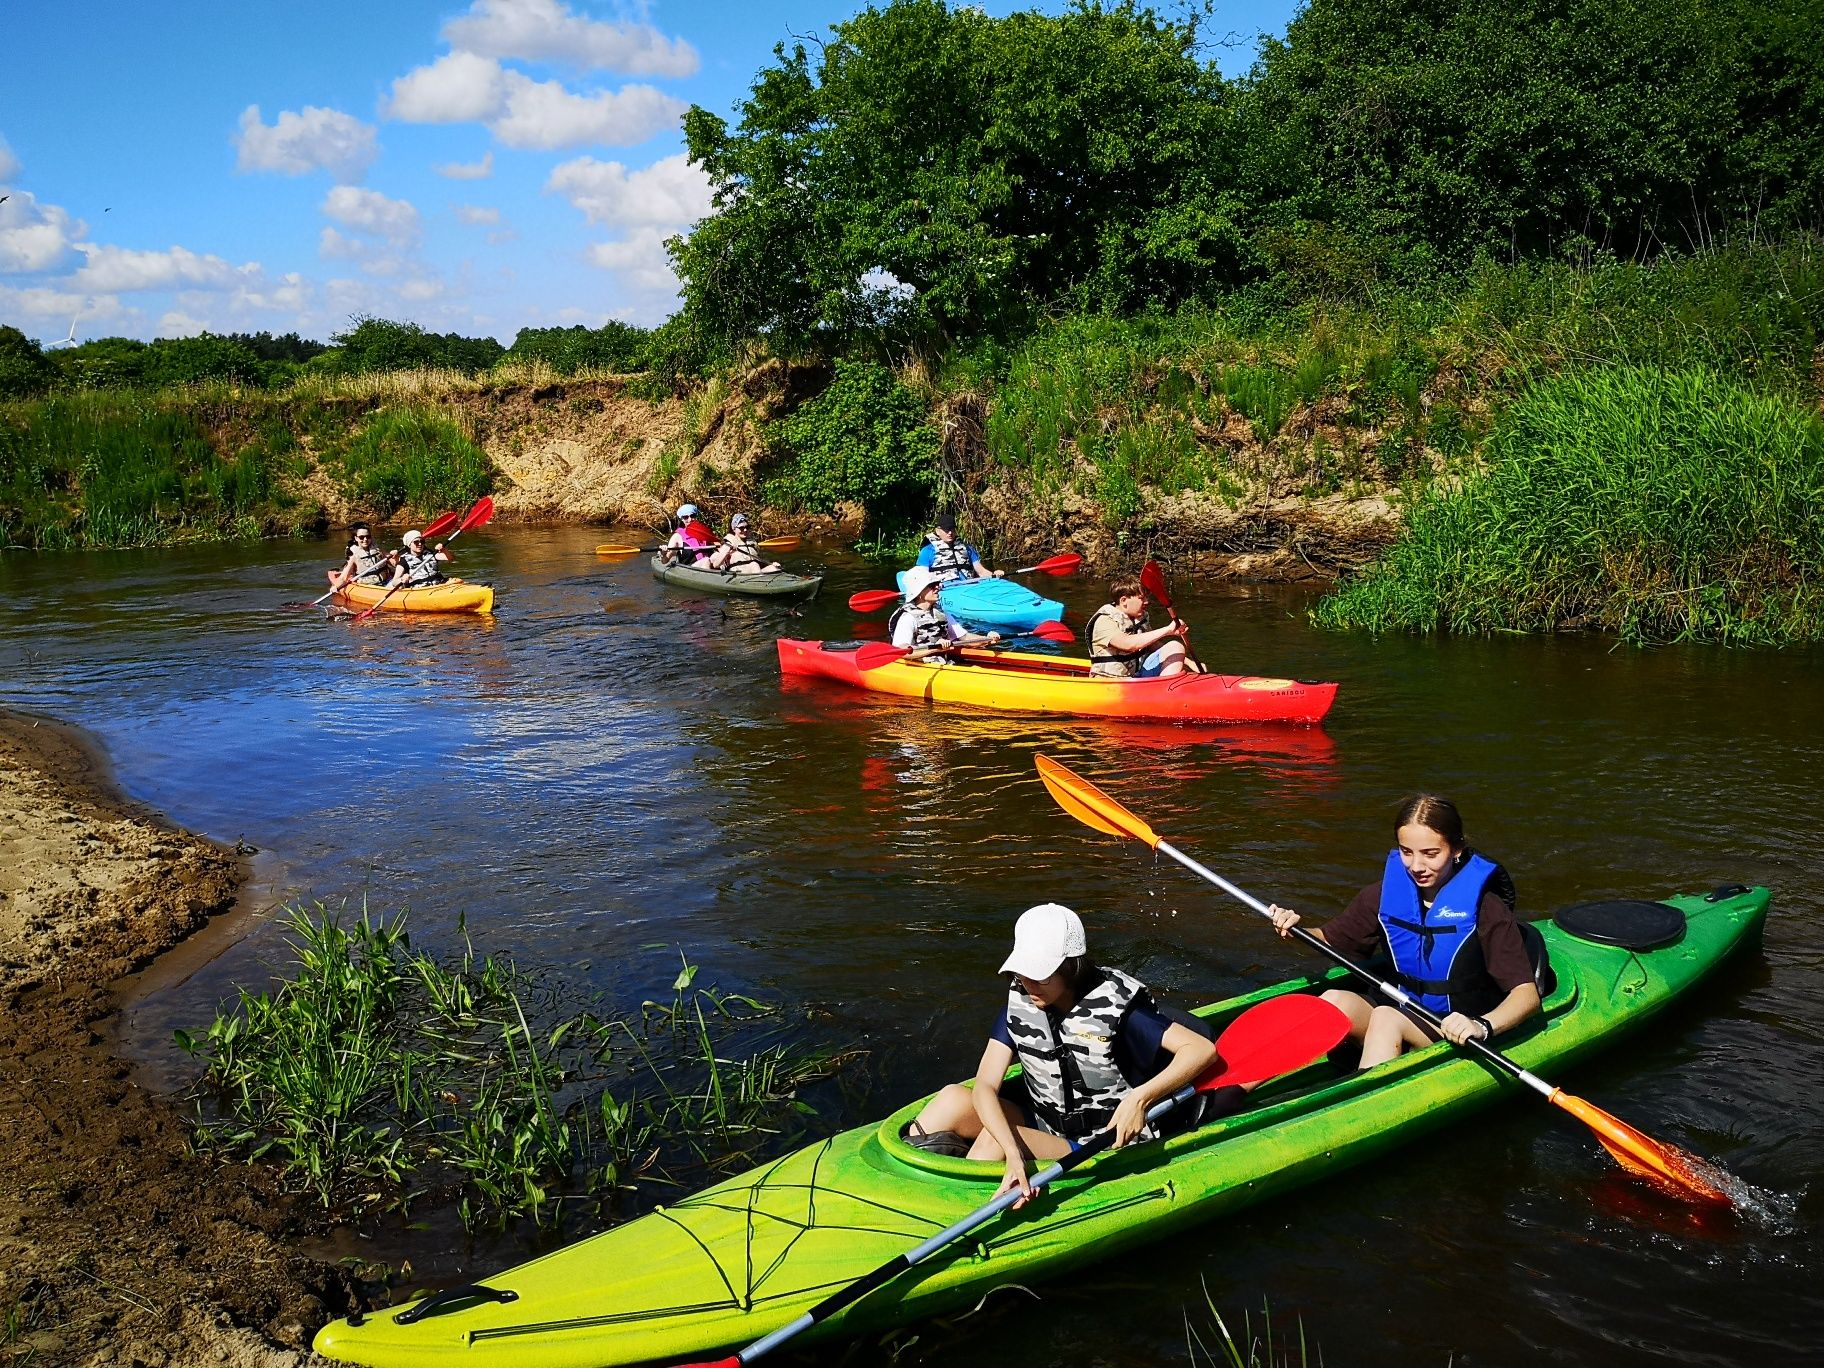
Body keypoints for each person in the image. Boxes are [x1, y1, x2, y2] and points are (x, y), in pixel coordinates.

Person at [902, 904, 1241, 1206]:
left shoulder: (1120, 1010)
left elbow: (1201, 1050)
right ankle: (907, 1183)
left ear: (1070, 967)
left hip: (1103, 1140)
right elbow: (985, 1087)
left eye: (1039, 973)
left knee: (992, 1143)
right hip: (1047, 1121)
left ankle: (951, 1205)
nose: (1027, 982)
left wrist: (1139, 1101)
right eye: (1022, 971)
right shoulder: (1023, 998)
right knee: (951, 1099)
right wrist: (1013, 1151)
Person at [1267, 795, 1543, 1070]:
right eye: (1406, 852)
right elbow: (1330, 940)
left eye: (1430, 854)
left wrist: (1482, 1026)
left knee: (1387, 1018)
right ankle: (1242, 1089)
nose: (1416, 866)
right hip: (1403, 1010)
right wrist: (1295, 929)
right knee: (1333, 1001)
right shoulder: (1383, 895)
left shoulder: (1487, 908)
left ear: (1457, 849)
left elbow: (1526, 996)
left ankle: (1366, 1104)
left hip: (1455, 1027)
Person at [1083, 580, 1195, 679]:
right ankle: (1160, 695)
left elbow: (1153, 645)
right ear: (1123, 601)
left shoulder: (1139, 617)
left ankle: (1163, 690)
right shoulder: (1104, 620)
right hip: (1111, 680)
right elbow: (1128, 644)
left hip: (1138, 675)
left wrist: (1189, 662)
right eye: (1142, 598)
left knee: (1175, 646)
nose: (1146, 602)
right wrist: (1167, 630)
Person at [890, 566, 1002, 660]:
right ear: (919, 592)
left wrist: (987, 639)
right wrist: (936, 647)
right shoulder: (907, 618)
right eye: (932, 585)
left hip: (942, 662)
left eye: (937, 583)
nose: (938, 587)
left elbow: (965, 638)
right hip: (920, 666)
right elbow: (902, 651)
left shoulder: (940, 613)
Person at [914, 512, 1003, 583]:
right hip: (944, 589)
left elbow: (981, 572)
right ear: (938, 531)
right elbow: (921, 576)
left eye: (952, 529)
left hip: (967, 587)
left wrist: (994, 575)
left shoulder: (967, 548)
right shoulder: (927, 551)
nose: (950, 533)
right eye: (946, 529)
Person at [325, 522, 395, 591]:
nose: (365, 539)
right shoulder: (354, 556)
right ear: (356, 538)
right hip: (368, 587)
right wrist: (336, 587)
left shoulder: (378, 550)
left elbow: (395, 563)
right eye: (361, 537)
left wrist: (395, 556)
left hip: (386, 583)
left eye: (368, 537)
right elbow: (344, 577)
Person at [707, 512, 781, 574]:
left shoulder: (751, 543)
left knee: (775, 567)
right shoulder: (729, 543)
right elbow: (716, 565)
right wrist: (726, 552)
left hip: (754, 572)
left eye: (747, 527)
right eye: (741, 528)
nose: (745, 530)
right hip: (738, 574)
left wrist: (771, 564)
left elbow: (760, 561)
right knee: (754, 565)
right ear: (734, 529)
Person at [387, 528, 452, 588]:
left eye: (422, 541)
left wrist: (444, 550)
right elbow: (394, 582)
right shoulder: (404, 560)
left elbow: (450, 559)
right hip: (421, 590)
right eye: (416, 542)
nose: (420, 544)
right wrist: (402, 579)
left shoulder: (431, 554)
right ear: (409, 545)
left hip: (440, 585)